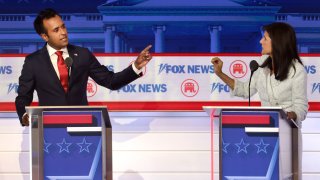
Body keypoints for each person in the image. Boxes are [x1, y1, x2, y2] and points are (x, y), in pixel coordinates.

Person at [15, 8, 153, 127]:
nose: (63, 32)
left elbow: (111, 81)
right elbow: (23, 96)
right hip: (49, 128)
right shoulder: (33, 61)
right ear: (45, 36)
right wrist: (24, 115)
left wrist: (135, 67)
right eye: (56, 30)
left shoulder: (82, 55)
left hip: (81, 127)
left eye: (63, 27)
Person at [211, 22, 308, 179]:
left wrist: (286, 115)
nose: (260, 41)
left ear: (278, 41)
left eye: (265, 38)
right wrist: (220, 74)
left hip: (287, 137)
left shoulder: (297, 70)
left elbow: (301, 108)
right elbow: (244, 90)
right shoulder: (261, 64)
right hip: (263, 137)